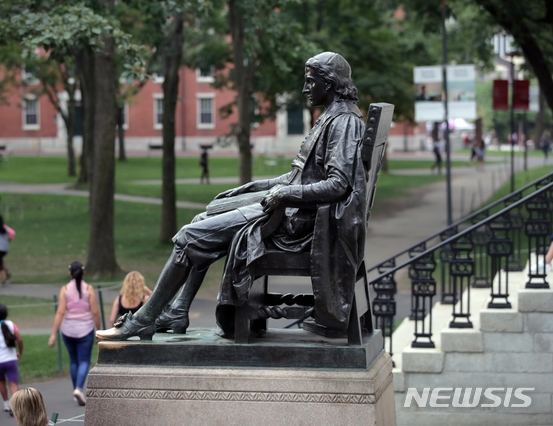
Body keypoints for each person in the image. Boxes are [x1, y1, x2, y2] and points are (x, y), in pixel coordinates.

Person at [97, 51, 368, 341]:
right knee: (205, 216)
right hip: (292, 212)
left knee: (190, 236)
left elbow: (339, 185)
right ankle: (178, 309)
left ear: (330, 83)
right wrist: (255, 187)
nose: (305, 88)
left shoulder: (343, 123)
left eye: (310, 82)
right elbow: (302, 176)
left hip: (297, 226)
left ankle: (144, 318)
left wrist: (285, 192)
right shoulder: (333, 117)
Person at [48, 261, 101, 406]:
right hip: (86, 330)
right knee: (84, 360)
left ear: (69, 273)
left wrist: (53, 334)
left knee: (73, 361)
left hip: (68, 331)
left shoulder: (64, 289)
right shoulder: (89, 289)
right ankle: (78, 388)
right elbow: (95, 312)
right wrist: (99, 329)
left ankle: (75, 389)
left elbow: (60, 312)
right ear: (83, 273)